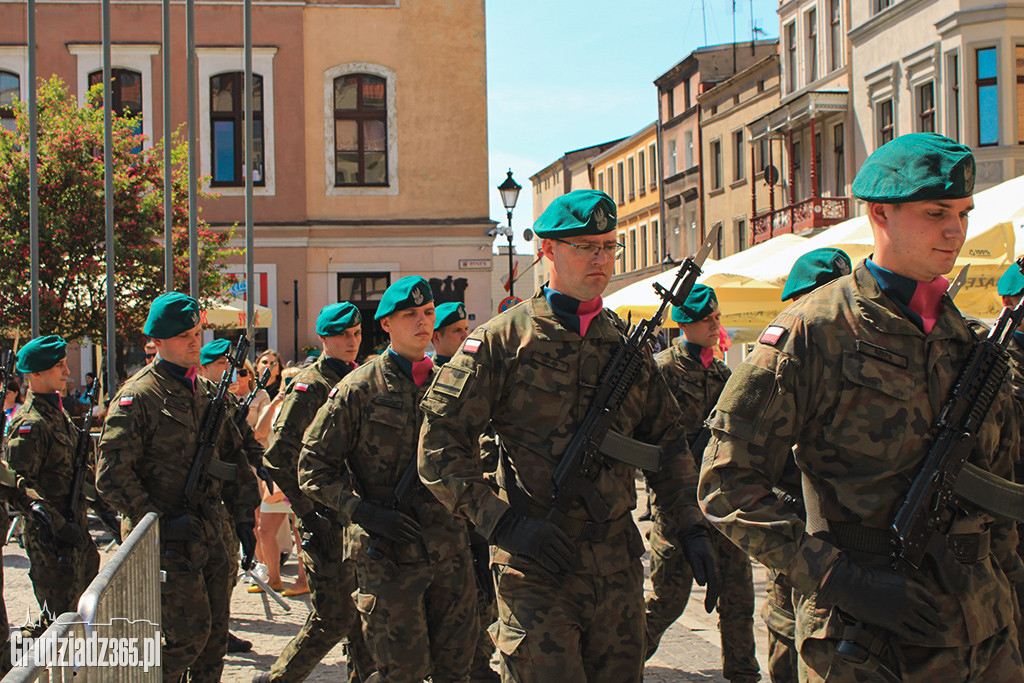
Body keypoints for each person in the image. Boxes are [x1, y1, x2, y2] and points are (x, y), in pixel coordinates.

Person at [698, 133, 1024, 682]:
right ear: (881, 215)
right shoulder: (815, 331)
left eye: (963, 213)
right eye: (935, 212)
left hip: (986, 636)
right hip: (868, 640)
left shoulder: (971, 343)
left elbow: (1004, 500)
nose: (955, 230)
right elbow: (725, 484)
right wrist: (840, 580)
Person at [418, 189, 718, 683]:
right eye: (586, 246)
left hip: (617, 568)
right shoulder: (501, 341)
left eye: (609, 245)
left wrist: (688, 524)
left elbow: (667, 444)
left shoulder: (625, 344)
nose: (601, 258)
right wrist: (502, 523)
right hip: (537, 567)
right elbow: (438, 447)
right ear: (547, 250)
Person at [300, 279, 478, 683]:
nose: (422, 323)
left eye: (428, 313)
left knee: (457, 671)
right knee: (401, 673)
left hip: (450, 553)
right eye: (410, 315)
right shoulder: (359, 389)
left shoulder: (452, 384)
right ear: (386, 324)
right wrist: (362, 511)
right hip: (389, 560)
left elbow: (474, 460)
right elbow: (312, 468)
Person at [96, 292, 260, 683]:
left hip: (210, 533)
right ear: (157, 340)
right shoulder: (139, 396)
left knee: (215, 639)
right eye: (184, 335)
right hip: (163, 541)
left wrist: (242, 517)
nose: (194, 342)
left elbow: (232, 459)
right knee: (185, 639)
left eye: (197, 332)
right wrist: (159, 521)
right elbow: (111, 476)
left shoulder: (204, 392)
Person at [643, 284, 759, 682]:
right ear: (685, 323)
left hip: (722, 503)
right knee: (665, 600)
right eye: (708, 319)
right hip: (679, 504)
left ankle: (743, 672)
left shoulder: (724, 372)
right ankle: (621, 666)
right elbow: (648, 437)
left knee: (739, 596)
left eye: (717, 317)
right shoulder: (662, 369)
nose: (716, 324)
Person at [255, 302, 372, 683]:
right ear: (324, 338)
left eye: (356, 334)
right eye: (342, 335)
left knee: (362, 618)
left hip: (353, 516)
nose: (351, 342)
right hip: (325, 520)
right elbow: (278, 456)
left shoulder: (360, 378)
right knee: (333, 618)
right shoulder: (311, 385)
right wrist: (309, 512)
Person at [761, 247, 852, 683]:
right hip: (797, 549)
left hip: (858, 550)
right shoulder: (779, 365)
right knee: (786, 657)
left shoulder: (861, 361)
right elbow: (735, 471)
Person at [4, 335, 100, 632]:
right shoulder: (29, 424)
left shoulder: (60, 416)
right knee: (60, 627)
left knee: (84, 619)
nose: (67, 371)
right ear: (35, 374)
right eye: (59, 366)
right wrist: (58, 524)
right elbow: (17, 486)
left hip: (76, 532)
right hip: (51, 542)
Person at [432, 300, 499, 681]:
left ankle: (477, 661)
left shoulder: (477, 378)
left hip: (474, 508)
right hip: (441, 513)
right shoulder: (428, 381)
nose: (465, 336)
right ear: (437, 337)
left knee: (481, 593)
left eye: (466, 329)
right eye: (457, 331)